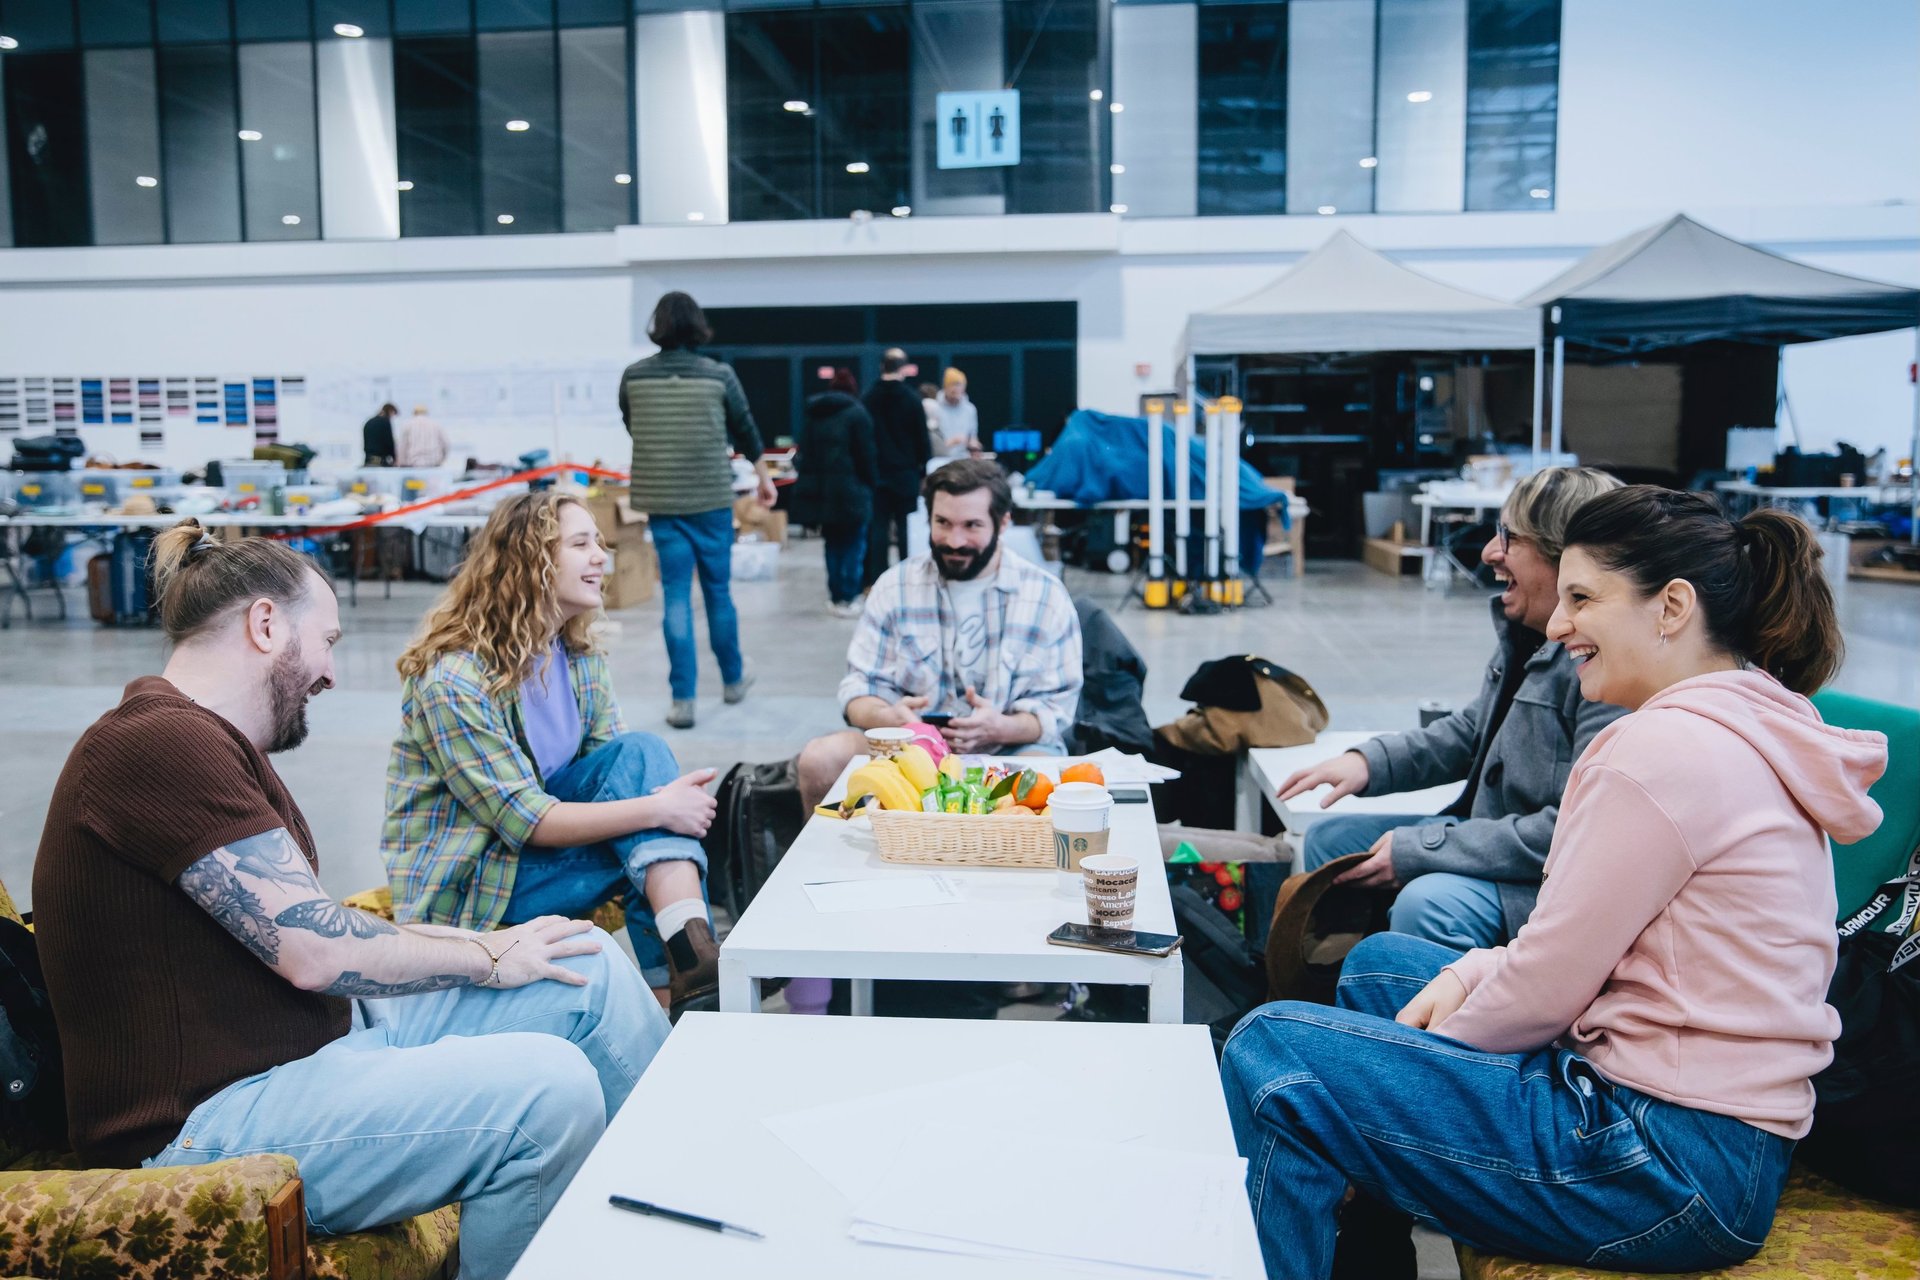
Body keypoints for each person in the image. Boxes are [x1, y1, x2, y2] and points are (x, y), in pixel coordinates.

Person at [1221, 487, 1885, 1280]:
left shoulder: (1661, 750)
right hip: (1716, 1138)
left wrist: (1420, 1062)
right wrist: (1460, 987)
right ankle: (1366, 1259)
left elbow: (1547, 985)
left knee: (1274, 1048)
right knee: (1383, 969)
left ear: (1671, 606)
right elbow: (1579, 958)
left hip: (1660, 1160)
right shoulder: (1754, 721)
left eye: (1582, 598)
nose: (1559, 623)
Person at [31, 520, 670, 1280]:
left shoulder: (207, 743)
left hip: (303, 1049)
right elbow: (317, 950)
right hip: (202, 1120)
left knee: (581, 961)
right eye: (327, 640)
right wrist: (481, 956)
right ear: (266, 625)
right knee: (545, 1093)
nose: (331, 672)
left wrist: (499, 948)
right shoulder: (154, 744)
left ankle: (680, 1203)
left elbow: (306, 926)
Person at [383, 491, 722, 1015]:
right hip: (478, 889)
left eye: (600, 543)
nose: (600, 557)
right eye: (581, 543)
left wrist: (653, 810)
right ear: (530, 561)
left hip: (537, 864)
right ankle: (689, 969)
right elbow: (525, 820)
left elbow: (619, 773)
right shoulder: (455, 678)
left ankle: (684, 979)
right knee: (654, 815)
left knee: (643, 765)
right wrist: (660, 808)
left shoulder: (577, 657)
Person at [1266, 466, 1625, 951]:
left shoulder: (1602, 668)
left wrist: (1424, 849)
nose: (1489, 553)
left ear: (1565, 556)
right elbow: (1473, 731)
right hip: (1490, 838)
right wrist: (1369, 763)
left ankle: (1416, 1015)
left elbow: (1569, 829)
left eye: (1508, 537)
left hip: (1536, 878)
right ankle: (1343, 987)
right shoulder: (1529, 637)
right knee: (1333, 842)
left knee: (1427, 902)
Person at [798, 458, 1082, 812]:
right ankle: (826, 867)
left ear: (1003, 522)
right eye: (942, 523)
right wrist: (890, 719)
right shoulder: (895, 587)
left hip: (1010, 751)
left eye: (972, 525)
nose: (954, 540)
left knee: (1042, 772)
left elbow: (1057, 710)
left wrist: (1001, 727)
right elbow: (858, 691)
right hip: (904, 751)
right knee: (819, 759)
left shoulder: (1045, 596)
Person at [619, 291, 774, 729]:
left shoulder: (634, 377)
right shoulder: (718, 375)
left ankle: (682, 700)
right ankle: (732, 680)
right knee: (718, 593)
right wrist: (763, 478)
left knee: (675, 598)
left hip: (663, 500)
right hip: (709, 499)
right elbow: (745, 429)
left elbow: (633, 425)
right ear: (697, 326)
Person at [793, 367, 877, 617]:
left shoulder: (814, 415)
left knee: (832, 544)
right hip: (853, 491)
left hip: (823, 494)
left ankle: (835, 595)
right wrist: (871, 483)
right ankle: (850, 596)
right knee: (854, 544)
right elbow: (866, 455)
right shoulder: (858, 414)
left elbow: (804, 455)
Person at [863, 348, 932, 590]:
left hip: (877, 474)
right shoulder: (912, 399)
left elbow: (864, 439)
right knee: (906, 529)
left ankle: (877, 581)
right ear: (903, 368)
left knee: (878, 529)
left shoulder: (868, 398)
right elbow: (923, 440)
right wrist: (923, 472)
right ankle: (908, 581)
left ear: (882, 367)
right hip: (905, 474)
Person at [930, 367, 980, 457]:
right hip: (940, 459)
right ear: (946, 387)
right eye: (953, 385)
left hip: (964, 460)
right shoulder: (934, 408)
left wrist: (974, 445)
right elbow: (930, 442)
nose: (956, 390)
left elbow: (973, 436)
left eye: (959, 386)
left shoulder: (970, 409)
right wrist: (952, 442)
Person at [362, 401, 397, 466]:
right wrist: (395, 458)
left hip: (368, 460)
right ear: (390, 411)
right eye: (393, 414)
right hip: (380, 461)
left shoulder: (369, 422)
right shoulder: (385, 422)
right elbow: (389, 442)